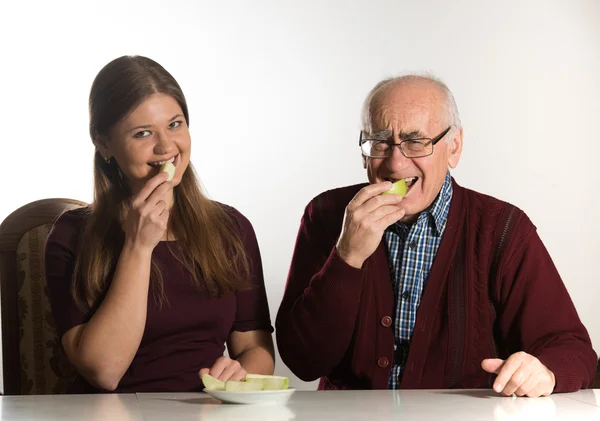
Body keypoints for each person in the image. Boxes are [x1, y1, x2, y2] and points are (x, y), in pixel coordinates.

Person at [275, 74, 596, 397]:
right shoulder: (327, 215)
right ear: (364, 151)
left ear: (453, 148)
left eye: (416, 142)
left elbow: (572, 349)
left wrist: (544, 371)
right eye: (380, 142)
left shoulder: (502, 229)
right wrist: (347, 257)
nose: (396, 162)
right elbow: (303, 362)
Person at [45, 55, 275, 393]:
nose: (167, 147)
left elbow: (256, 351)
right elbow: (103, 372)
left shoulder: (232, 228)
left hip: (206, 413)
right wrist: (138, 246)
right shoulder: (70, 235)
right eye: (142, 133)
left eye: (175, 124)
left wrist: (239, 375)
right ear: (104, 143)